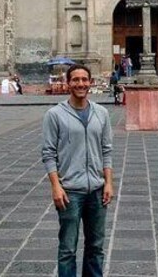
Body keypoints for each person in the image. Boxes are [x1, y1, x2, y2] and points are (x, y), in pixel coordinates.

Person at [41, 64, 113, 277]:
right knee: (67, 249)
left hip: (97, 191)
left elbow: (106, 150)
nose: (80, 84)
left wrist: (108, 182)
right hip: (70, 191)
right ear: (68, 82)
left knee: (96, 247)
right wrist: (56, 186)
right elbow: (48, 153)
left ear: (90, 82)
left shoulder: (102, 113)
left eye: (84, 80)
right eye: (76, 80)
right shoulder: (54, 114)